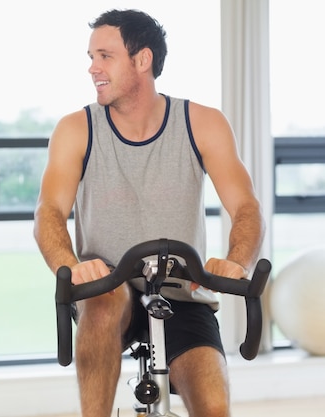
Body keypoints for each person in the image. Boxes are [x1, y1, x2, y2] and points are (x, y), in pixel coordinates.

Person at [33, 9, 264, 417]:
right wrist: (70, 265)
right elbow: (48, 212)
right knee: (105, 297)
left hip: (181, 291)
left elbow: (245, 207)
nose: (92, 68)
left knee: (213, 406)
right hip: (106, 288)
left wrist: (236, 261)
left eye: (104, 56)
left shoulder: (202, 123)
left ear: (143, 60)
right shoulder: (77, 129)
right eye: (91, 56)